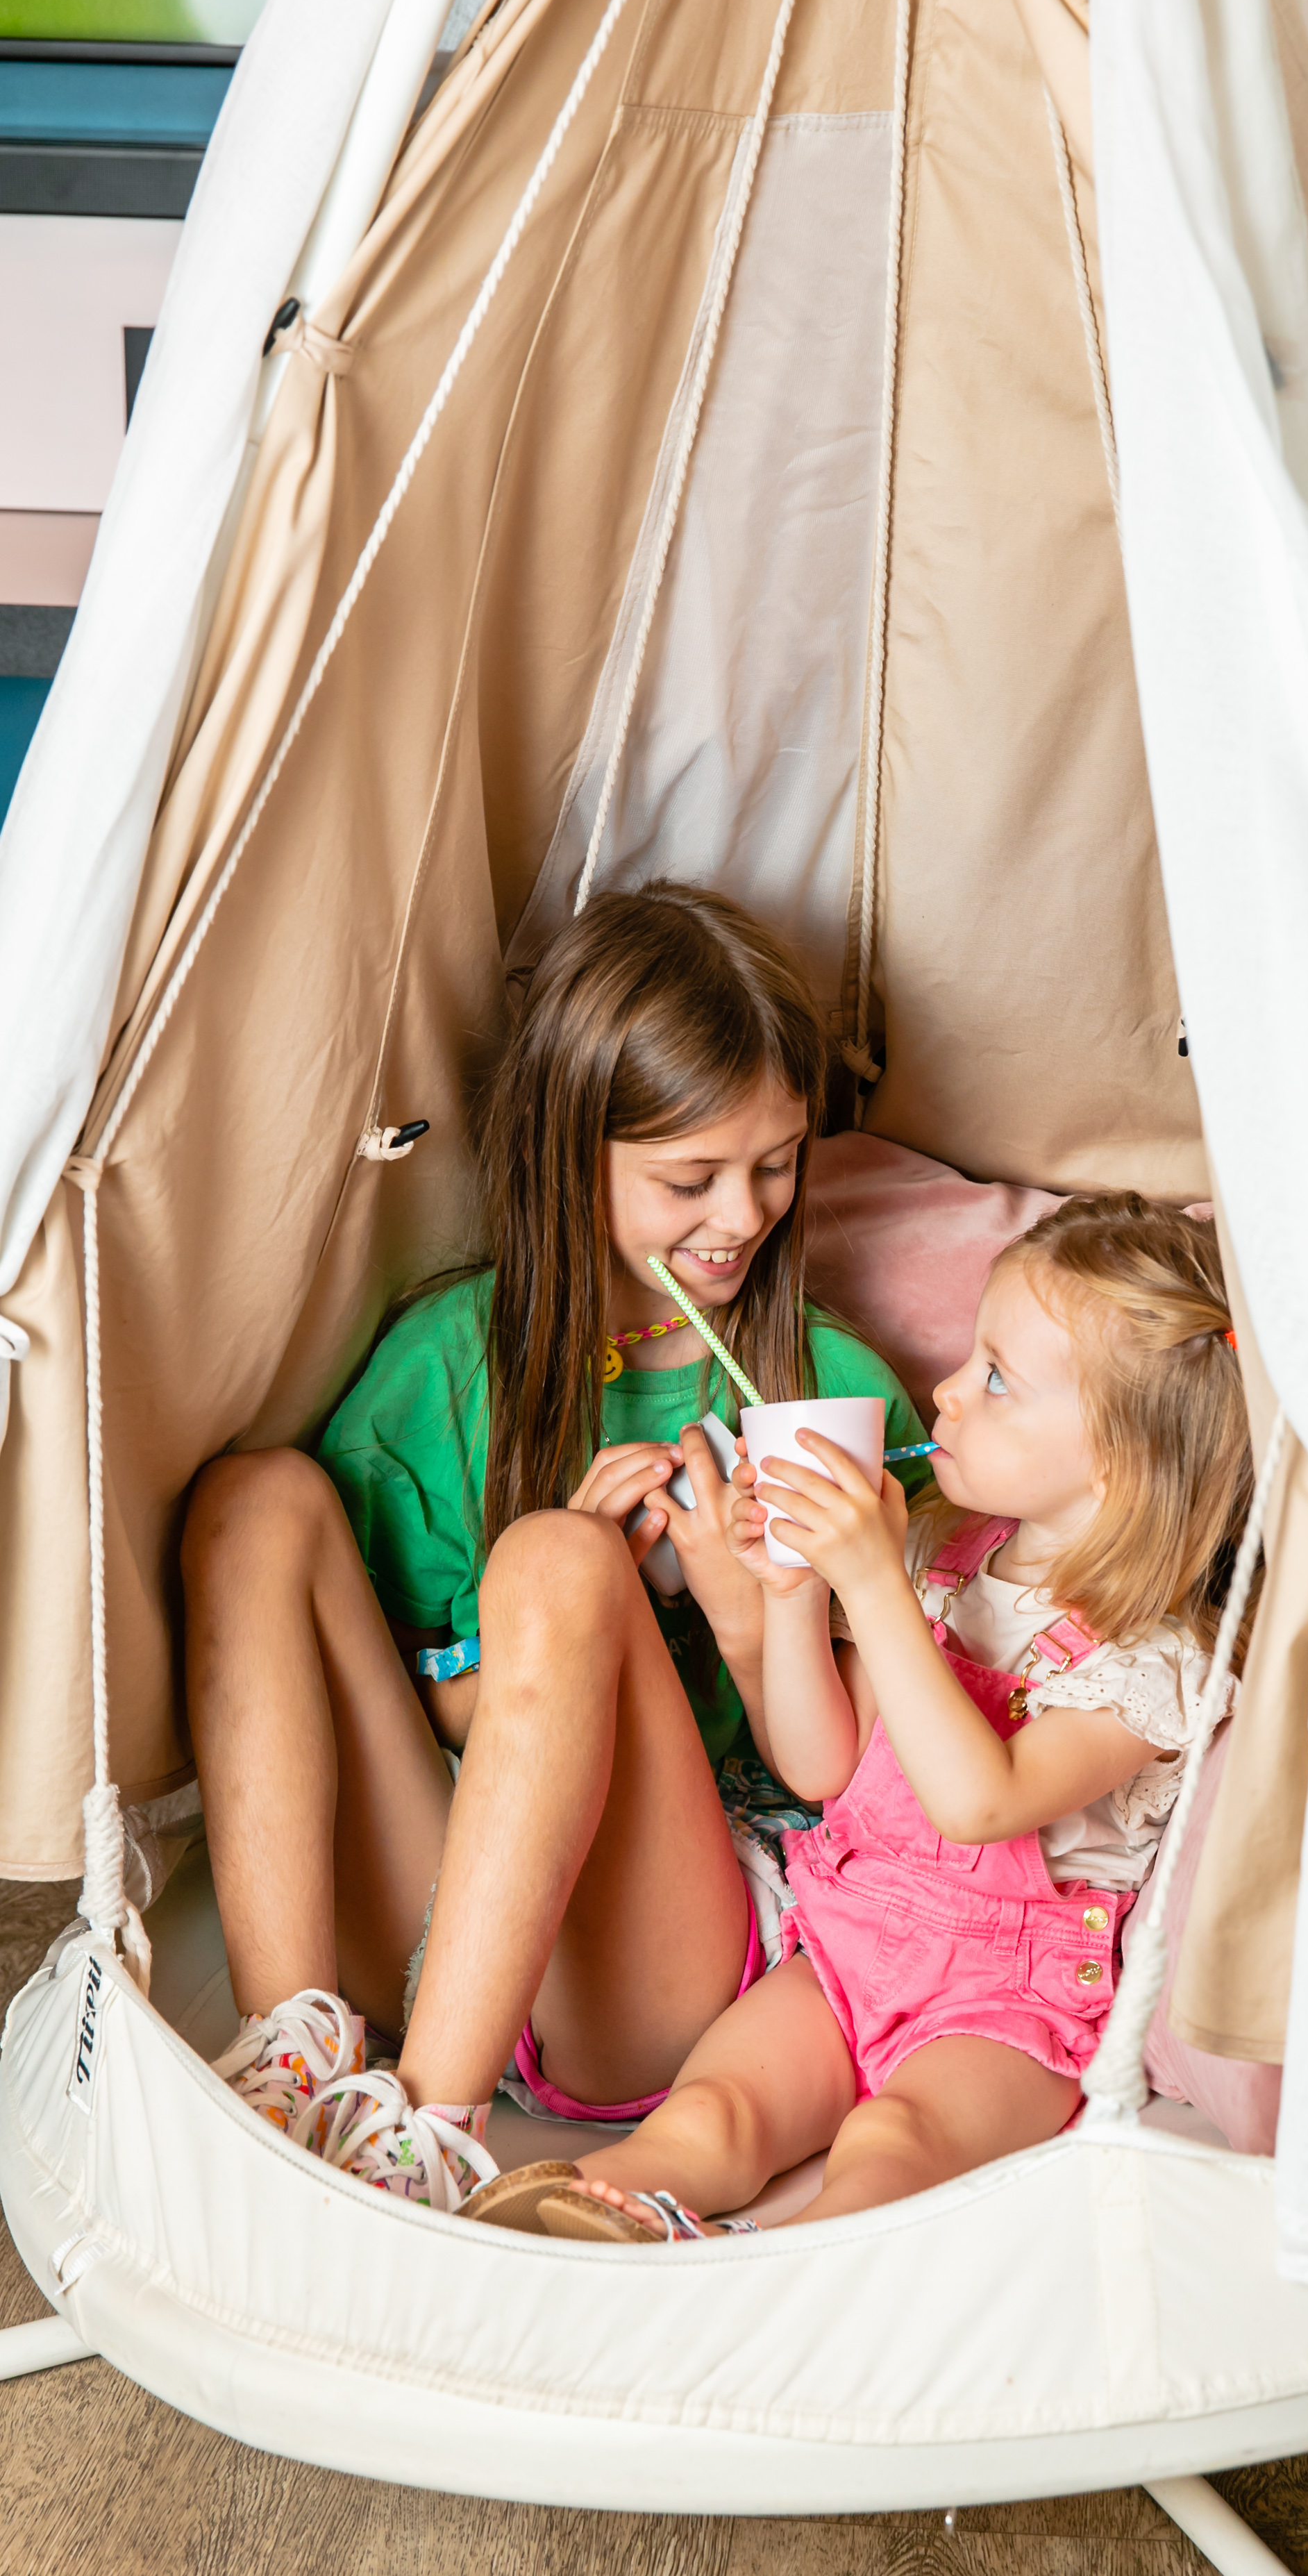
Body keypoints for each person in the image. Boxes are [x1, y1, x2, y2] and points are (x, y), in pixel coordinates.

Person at [183, 882, 927, 2207]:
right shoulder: (445, 1365)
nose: (742, 1216)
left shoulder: (826, 1392)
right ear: (568, 1152)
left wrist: (737, 1609)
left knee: (558, 1563)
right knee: (255, 1504)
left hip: (646, 1973)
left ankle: (426, 2134)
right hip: (440, 1919)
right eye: (689, 1179)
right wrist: (562, 1627)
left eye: (776, 1164)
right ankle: (293, 2052)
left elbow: (874, 1779)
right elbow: (416, 1704)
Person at [462, 1193, 1253, 2242]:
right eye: (970, 1358)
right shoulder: (938, 1553)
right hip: (846, 1937)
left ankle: (789, 2276)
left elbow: (982, 1803)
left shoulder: (1156, 1656)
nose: (947, 1391)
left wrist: (874, 1587)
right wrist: (793, 1591)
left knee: (894, 2142)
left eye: (996, 1378)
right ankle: (582, 2217)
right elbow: (822, 1767)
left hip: (1005, 2003)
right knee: (712, 2109)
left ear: (1121, 1456)